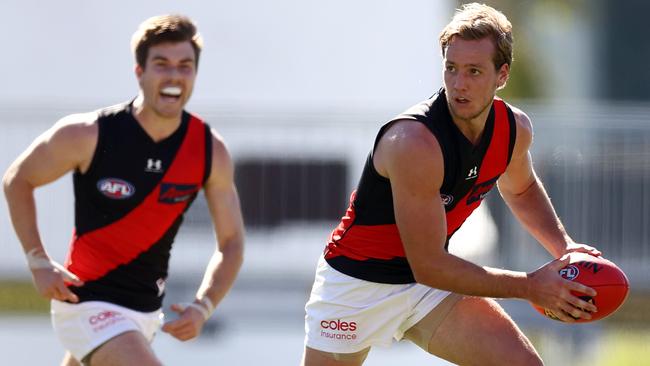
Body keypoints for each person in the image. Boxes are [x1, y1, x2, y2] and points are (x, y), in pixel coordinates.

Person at [301, 3, 602, 365]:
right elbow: (430, 265)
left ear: (502, 74)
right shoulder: (414, 142)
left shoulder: (513, 130)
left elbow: (520, 189)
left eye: (474, 71)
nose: (459, 84)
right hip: (356, 284)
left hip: (426, 288)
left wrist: (564, 247)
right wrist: (531, 286)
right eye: (451, 68)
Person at [3, 14, 244, 365]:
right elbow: (17, 179)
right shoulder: (87, 133)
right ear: (139, 72)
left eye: (185, 66)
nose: (174, 76)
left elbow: (233, 242)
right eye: (161, 64)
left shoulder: (210, 150)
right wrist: (38, 261)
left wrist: (204, 306)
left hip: (146, 314)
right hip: (85, 304)